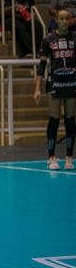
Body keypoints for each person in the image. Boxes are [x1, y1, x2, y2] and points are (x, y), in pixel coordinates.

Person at [34, 9, 76, 170]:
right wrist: (37, 88)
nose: (65, 22)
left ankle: (69, 157)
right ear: (56, 20)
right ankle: (51, 156)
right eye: (62, 19)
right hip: (55, 83)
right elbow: (42, 65)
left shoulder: (74, 38)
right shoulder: (48, 39)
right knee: (54, 119)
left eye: (67, 19)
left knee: (70, 120)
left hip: (71, 83)